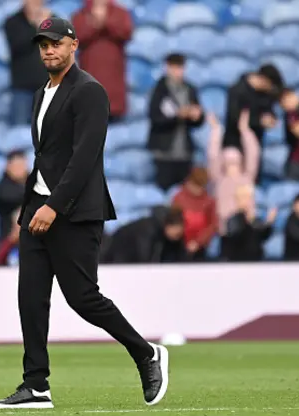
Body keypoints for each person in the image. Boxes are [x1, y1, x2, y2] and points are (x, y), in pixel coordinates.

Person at [0, 17, 169, 410]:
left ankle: (146, 354)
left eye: (56, 42)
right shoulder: (41, 93)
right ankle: (36, 385)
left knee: (83, 298)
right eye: (43, 44)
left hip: (71, 212)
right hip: (38, 209)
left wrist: (54, 206)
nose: (48, 50)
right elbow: (47, 156)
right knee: (30, 297)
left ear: (73, 44)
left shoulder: (89, 91)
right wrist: (34, 204)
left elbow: (84, 158)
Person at [147, 53, 204, 190]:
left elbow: (198, 119)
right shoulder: (159, 90)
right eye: (174, 67)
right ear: (167, 68)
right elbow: (155, 118)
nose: (177, 72)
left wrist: (197, 116)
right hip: (164, 152)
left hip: (184, 151)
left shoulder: (190, 89)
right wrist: (178, 115)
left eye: (180, 68)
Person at [72, 0, 133, 122]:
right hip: (90, 88)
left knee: (117, 136)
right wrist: (94, 25)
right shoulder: (81, 14)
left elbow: (126, 32)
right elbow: (76, 36)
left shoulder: (120, 13)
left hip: (114, 90)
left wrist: (105, 22)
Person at [4, 0, 54, 125]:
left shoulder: (54, 21)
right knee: (19, 134)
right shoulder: (13, 22)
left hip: (48, 88)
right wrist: (37, 28)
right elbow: (18, 45)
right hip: (22, 90)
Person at [102, 206, 188, 263]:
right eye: (176, 234)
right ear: (169, 226)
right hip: (117, 258)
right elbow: (143, 258)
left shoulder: (162, 232)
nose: (177, 237)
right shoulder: (147, 230)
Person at [0, 150, 29, 240]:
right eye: (16, 166)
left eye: (21, 165)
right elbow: (9, 197)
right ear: (8, 167)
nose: (19, 169)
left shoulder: (34, 181)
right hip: (9, 239)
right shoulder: (3, 186)